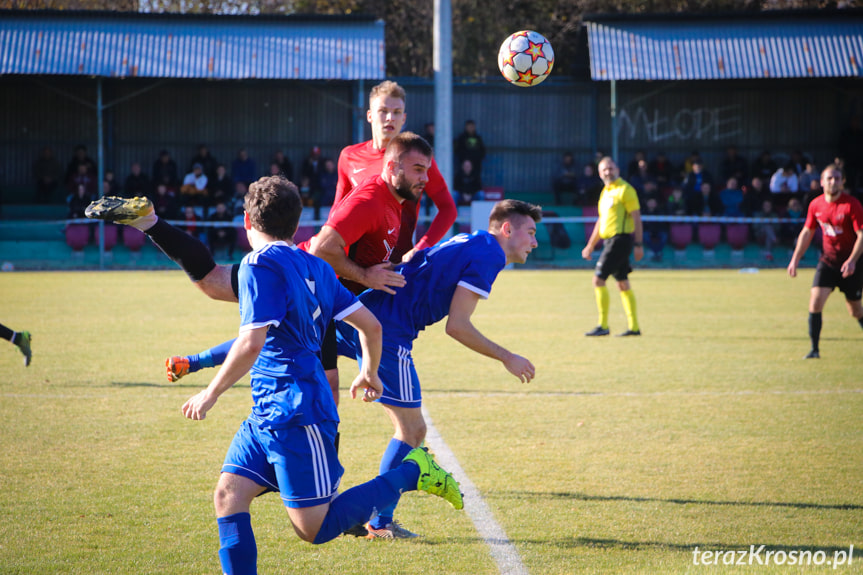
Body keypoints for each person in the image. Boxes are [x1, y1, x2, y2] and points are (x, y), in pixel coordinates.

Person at [167, 199, 540, 539]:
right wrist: (508, 356)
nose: (534, 242)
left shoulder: (470, 238)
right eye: (531, 232)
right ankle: (382, 515)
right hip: (388, 330)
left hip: (366, 313)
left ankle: (199, 363)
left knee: (286, 335)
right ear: (506, 228)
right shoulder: (490, 253)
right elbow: (457, 325)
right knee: (413, 429)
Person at [178, 175, 462, 574]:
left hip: (299, 413)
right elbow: (371, 326)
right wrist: (369, 371)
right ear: (297, 226)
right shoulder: (317, 266)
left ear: (246, 221)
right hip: (267, 411)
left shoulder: (256, 266)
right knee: (228, 495)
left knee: (314, 529)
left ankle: (414, 471)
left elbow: (251, 343)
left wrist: (210, 393)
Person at [334, 81, 456, 264]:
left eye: (397, 112)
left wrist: (421, 248)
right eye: (383, 111)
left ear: (404, 118)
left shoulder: (418, 160)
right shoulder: (349, 156)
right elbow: (337, 213)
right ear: (369, 115)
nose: (390, 117)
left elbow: (448, 209)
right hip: (354, 271)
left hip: (396, 269)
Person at [787, 164, 863, 359]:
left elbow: (861, 235)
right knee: (815, 302)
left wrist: (853, 260)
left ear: (842, 181)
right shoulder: (816, 205)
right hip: (828, 261)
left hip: (851, 264)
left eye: (837, 178)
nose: (833, 182)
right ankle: (814, 350)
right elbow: (807, 231)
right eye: (829, 178)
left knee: (855, 310)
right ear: (821, 182)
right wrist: (795, 260)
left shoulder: (851, 205)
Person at [581, 156, 643, 337]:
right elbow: (601, 221)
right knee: (622, 283)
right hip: (611, 241)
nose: (608, 172)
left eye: (610, 168)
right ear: (600, 174)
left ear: (618, 169)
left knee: (598, 279)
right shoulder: (605, 192)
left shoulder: (626, 190)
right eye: (604, 170)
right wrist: (590, 245)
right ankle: (634, 327)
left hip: (620, 240)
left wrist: (638, 244)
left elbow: (636, 217)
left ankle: (603, 325)